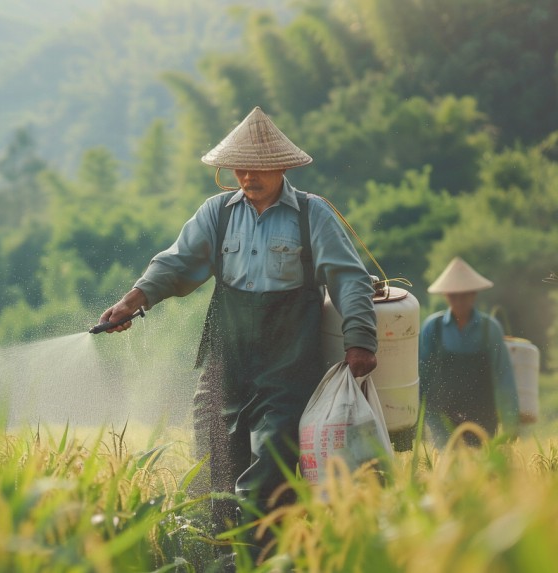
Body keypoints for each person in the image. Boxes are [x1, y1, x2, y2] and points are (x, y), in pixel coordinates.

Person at [97, 106, 378, 566]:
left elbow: (349, 278)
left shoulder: (313, 215)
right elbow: (176, 263)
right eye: (239, 167)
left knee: (271, 461)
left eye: (257, 166)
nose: (247, 176)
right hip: (226, 359)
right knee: (214, 460)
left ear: (281, 166)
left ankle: (261, 557)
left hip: (289, 362)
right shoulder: (217, 214)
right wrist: (133, 300)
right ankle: (221, 557)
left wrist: (360, 338)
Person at [419, 256, 519, 448]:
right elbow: (422, 374)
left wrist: (510, 422)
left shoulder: (490, 329)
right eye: (453, 296)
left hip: (482, 415)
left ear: (473, 295)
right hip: (441, 415)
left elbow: (504, 376)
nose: (459, 301)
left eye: (464, 295)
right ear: (446, 296)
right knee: (448, 466)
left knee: (481, 470)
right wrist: (417, 422)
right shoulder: (433, 327)